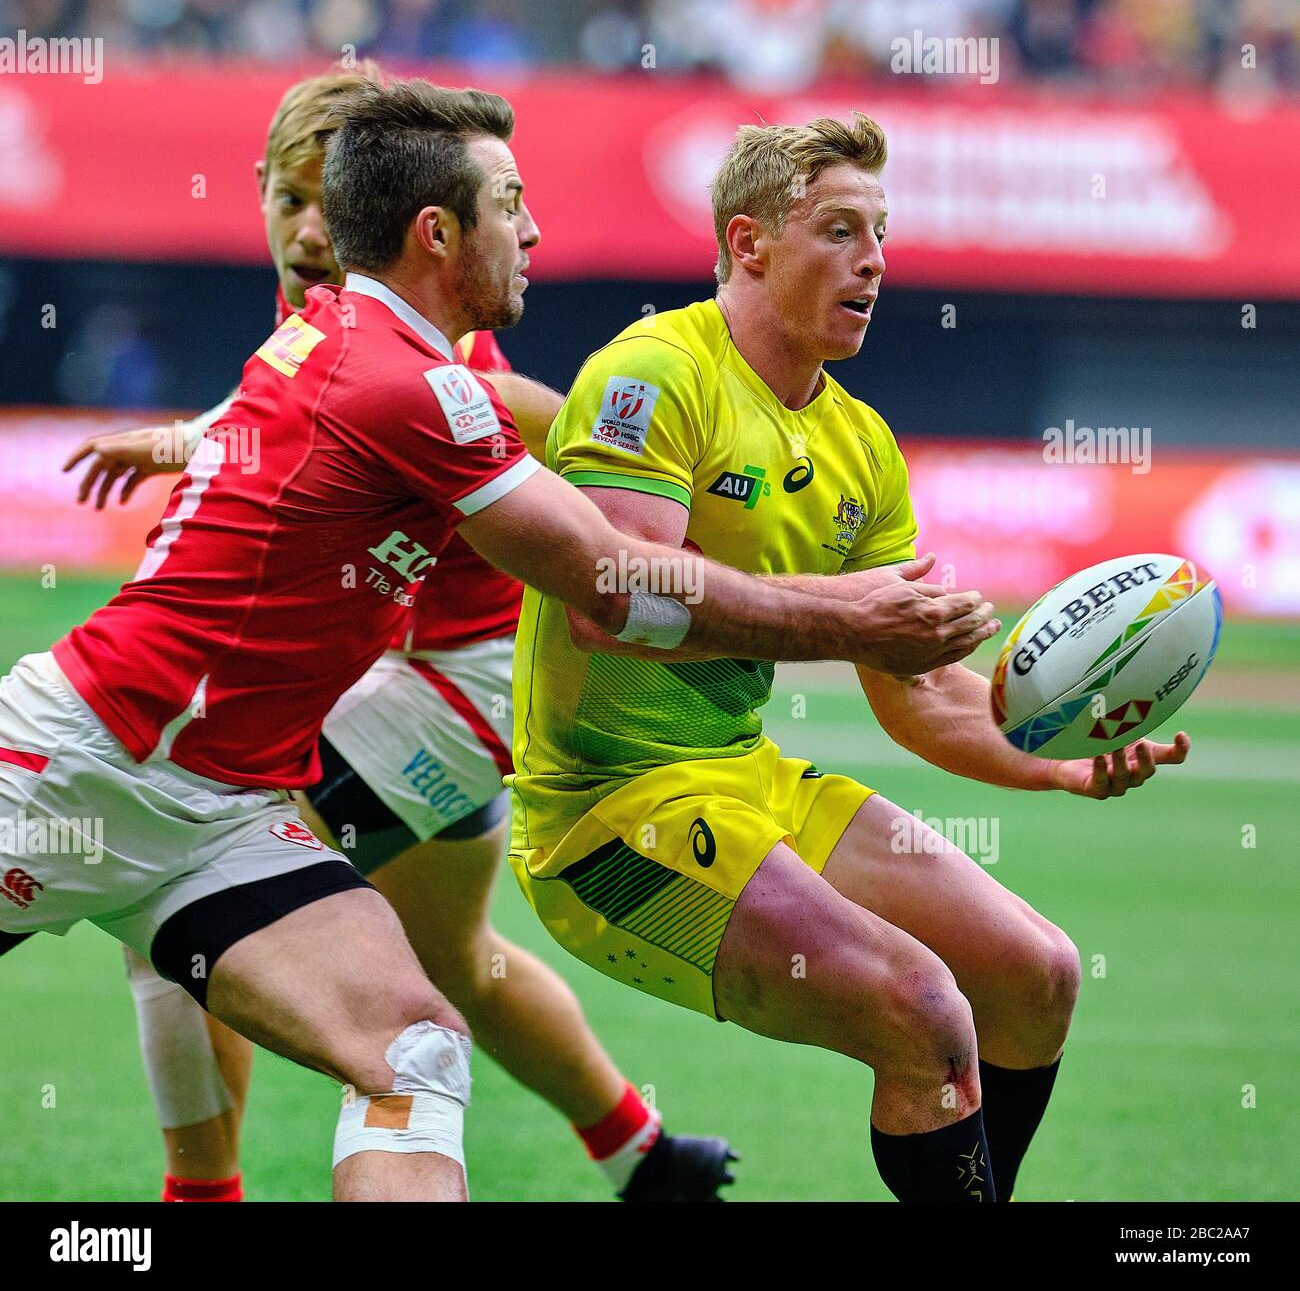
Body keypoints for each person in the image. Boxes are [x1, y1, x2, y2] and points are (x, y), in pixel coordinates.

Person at [3, 81, 992, 1202]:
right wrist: (853, 613)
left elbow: (559, 507)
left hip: (230, 811)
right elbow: (613, 584)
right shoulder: (398, 376)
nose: (533, 233)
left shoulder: (361, 345)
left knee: (416, 1049)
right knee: (455, 970)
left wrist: (187, 438)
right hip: (81, 762)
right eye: (511, 204)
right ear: (437, 232)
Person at [63, 64, 735, 1203]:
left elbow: (536, 416)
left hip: (450, 692)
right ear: (260, 195)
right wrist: (188, 437)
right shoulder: (326, 327)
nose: (312, 228)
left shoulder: (428, 344)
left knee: (175, 872)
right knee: (456, 963)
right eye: (289, 199)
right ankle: (643, 1152)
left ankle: (201, 1196)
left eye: (333, 201)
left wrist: (674, 506)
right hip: (414, 687)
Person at [506, 114, 1193, 1202]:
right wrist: (842, 617)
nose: (874, 259)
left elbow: (918, 691)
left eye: (881, 231)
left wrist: (1053, 758)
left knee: (1035, 974)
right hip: (605, 819)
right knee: (920, 1009)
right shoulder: (653, 374)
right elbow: (617, 600)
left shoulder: (860, 446)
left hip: (744, 779)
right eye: (839, 228)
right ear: (748, 245)